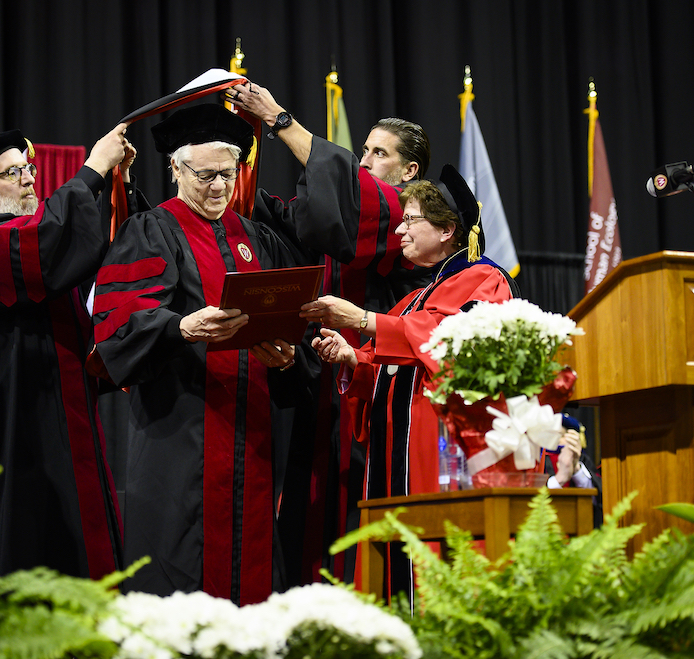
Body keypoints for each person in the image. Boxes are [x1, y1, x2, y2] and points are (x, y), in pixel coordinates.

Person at [89, 103, 302, 606]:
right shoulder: (151, 231)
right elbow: (120, 318)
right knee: (178, 575)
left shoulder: (259, 240)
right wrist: (179, 326)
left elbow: (293, 322)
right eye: (205, 174)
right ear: (176, 170)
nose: (218, 186)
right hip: (180, 434)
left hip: (251, 438)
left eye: (227, 174)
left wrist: (288, 355)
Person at [227, 82, 436, 584]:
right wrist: (231, 169)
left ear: (409, 172)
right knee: (306, 509)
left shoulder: (407, 218)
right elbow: (290, 220)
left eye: (378, 153)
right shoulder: (351, 213)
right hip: (316, 389)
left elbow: (345, 195)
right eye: (363, 150)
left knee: (359, 513)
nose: (364, 161)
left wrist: (278, 119)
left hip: (374, 390)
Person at [305, 166, 515, 601]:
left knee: (435, 572)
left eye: (411, 219)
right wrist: (352, 359)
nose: (399, 229)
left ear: (446, 230)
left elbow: (450, 344)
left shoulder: (484, 280)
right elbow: (392, 367)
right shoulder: (415, 297)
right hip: (393, 455)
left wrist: (362, 320)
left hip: (439, 453)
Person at [0, 122, 137, 581]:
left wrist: (117, 183)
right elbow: (45, 245)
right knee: (21, 545)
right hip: (10, 423)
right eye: (13, 173)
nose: (29, 178)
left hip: (64, 418)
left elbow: (92, 247)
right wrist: (92, 170)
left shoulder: (27, 231)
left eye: (28, 169)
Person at [544, 414, 603, 527]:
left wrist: (577, 471)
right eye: (551, 435)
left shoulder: (583, 460)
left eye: (561, 435)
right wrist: (559, 479)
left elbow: (598, 500)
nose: (556, 441)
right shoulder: (536, 461)